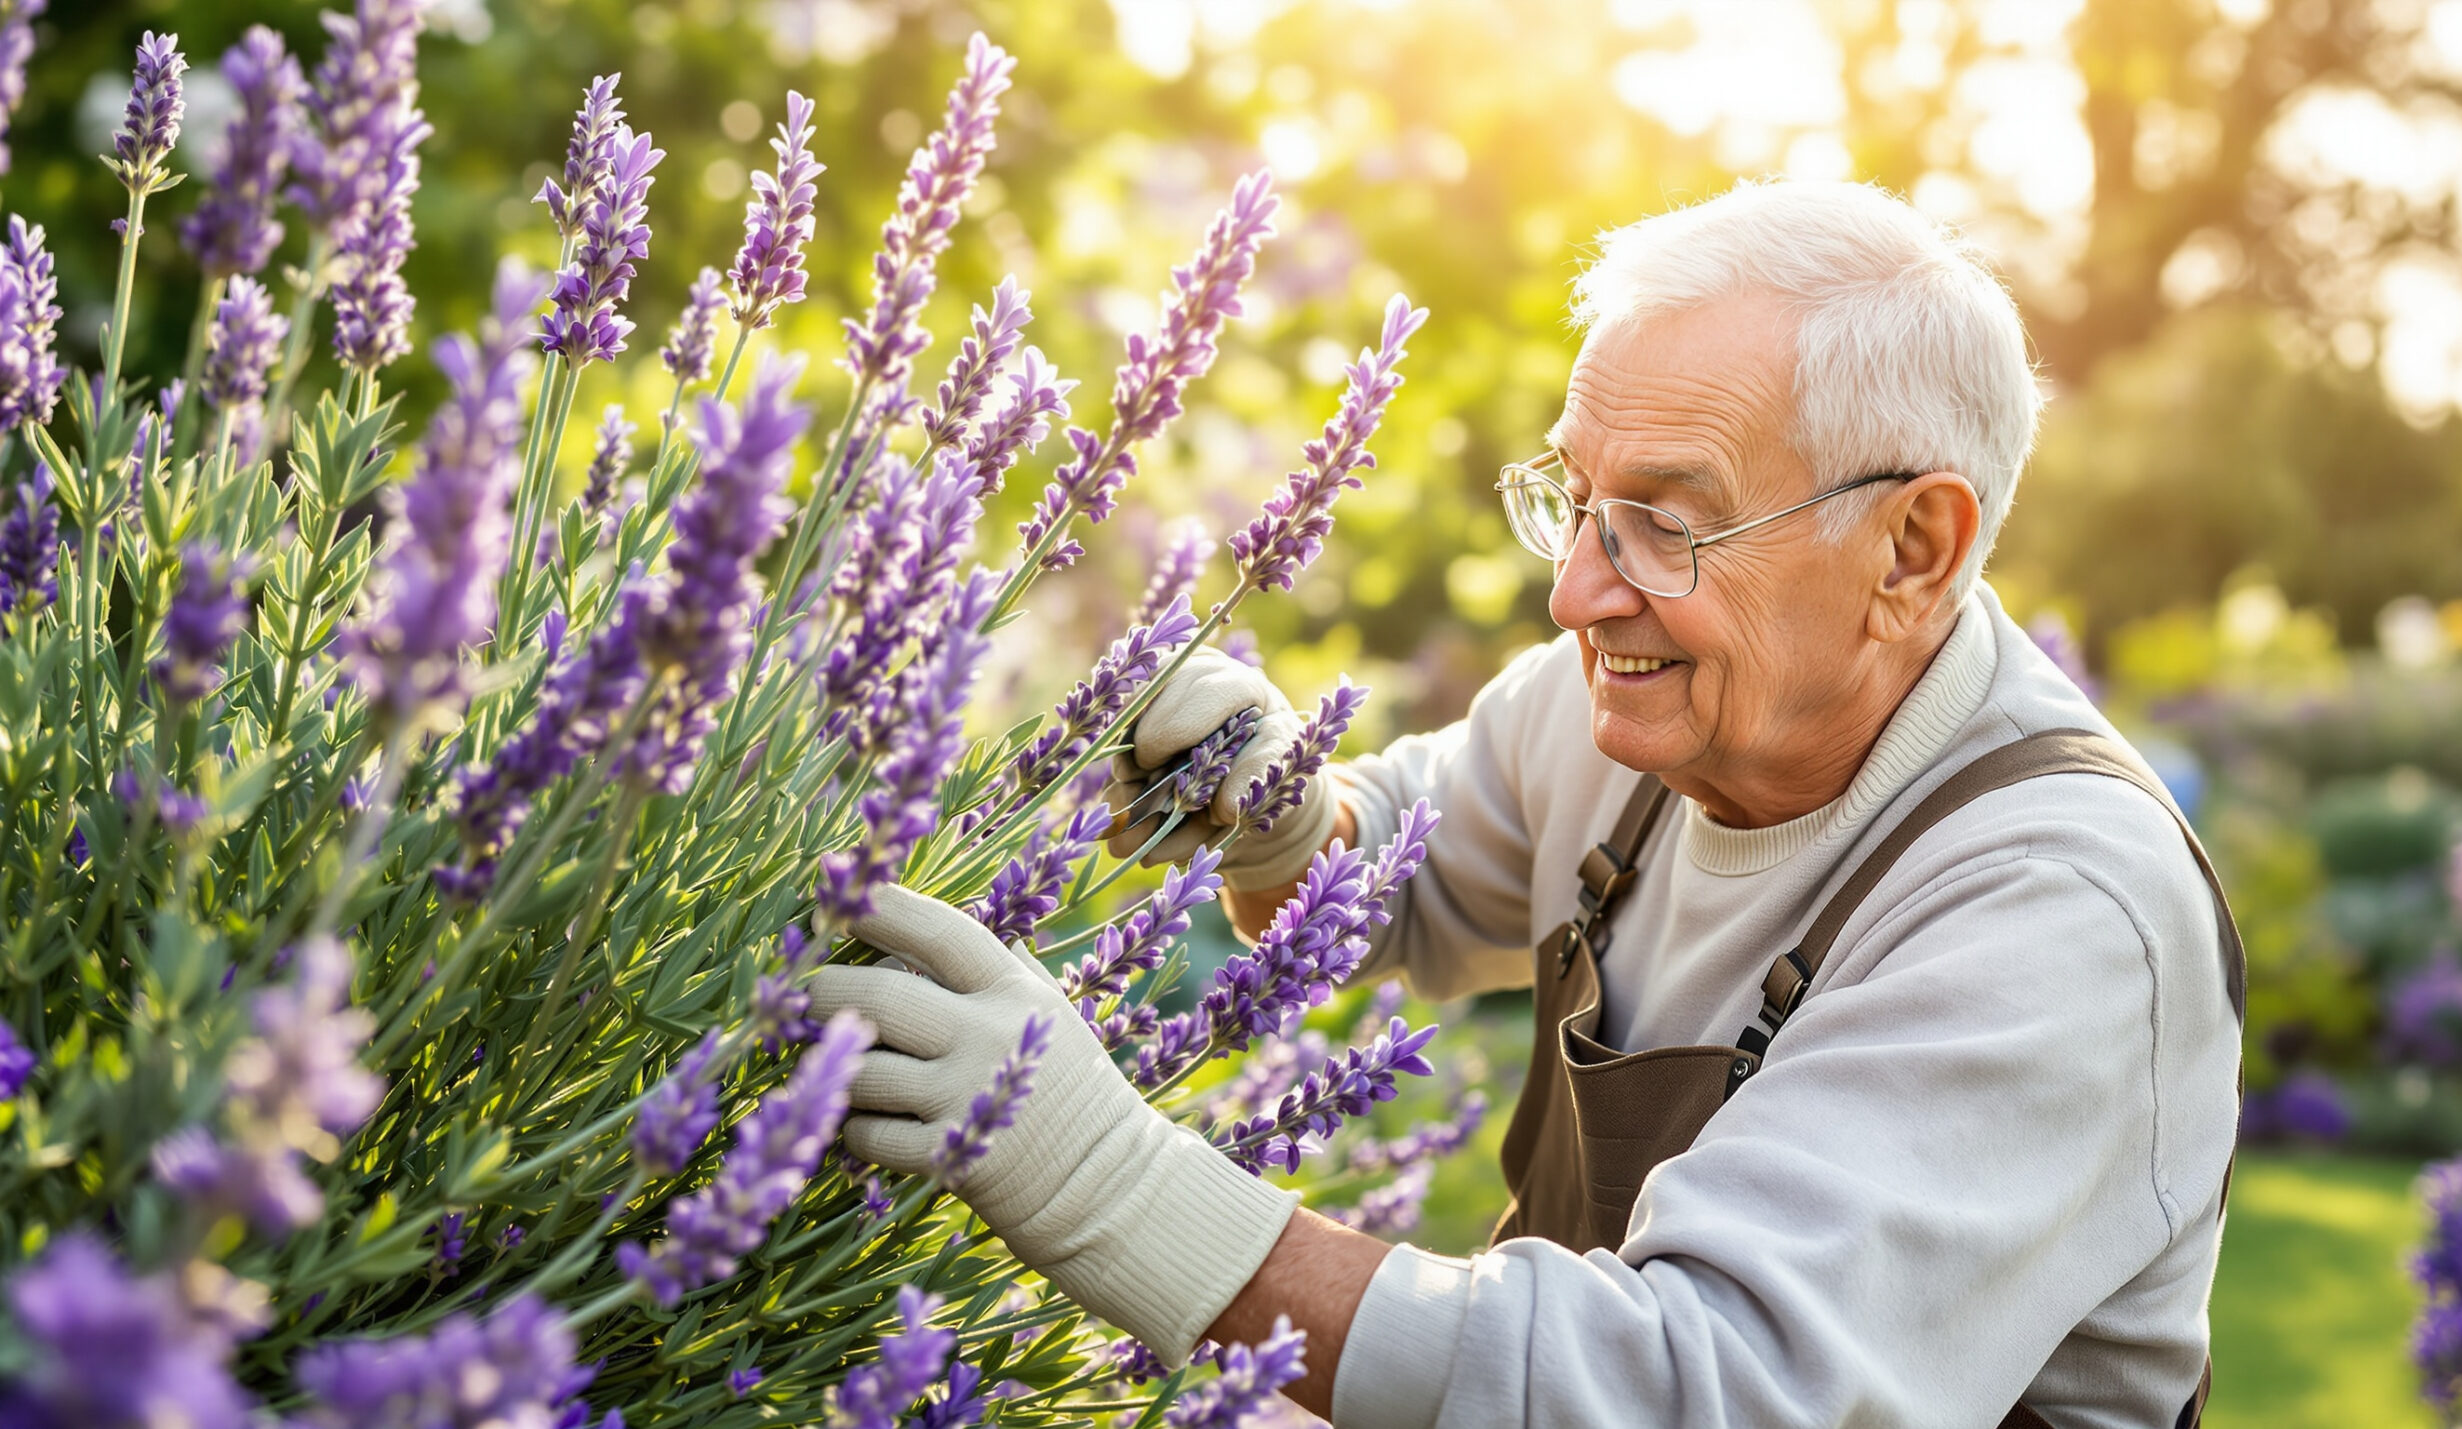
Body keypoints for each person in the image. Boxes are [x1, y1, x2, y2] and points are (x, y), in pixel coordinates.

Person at [808, 179, 2245, 1428]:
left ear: (1912, 548)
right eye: (1574, 497)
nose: (1576, 592)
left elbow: (1696, 1392)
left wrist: (1104, 1182)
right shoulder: (1637, 707)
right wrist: (1284, 814)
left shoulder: (2056, 909)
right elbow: (1389, 883)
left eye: (1668, 524)